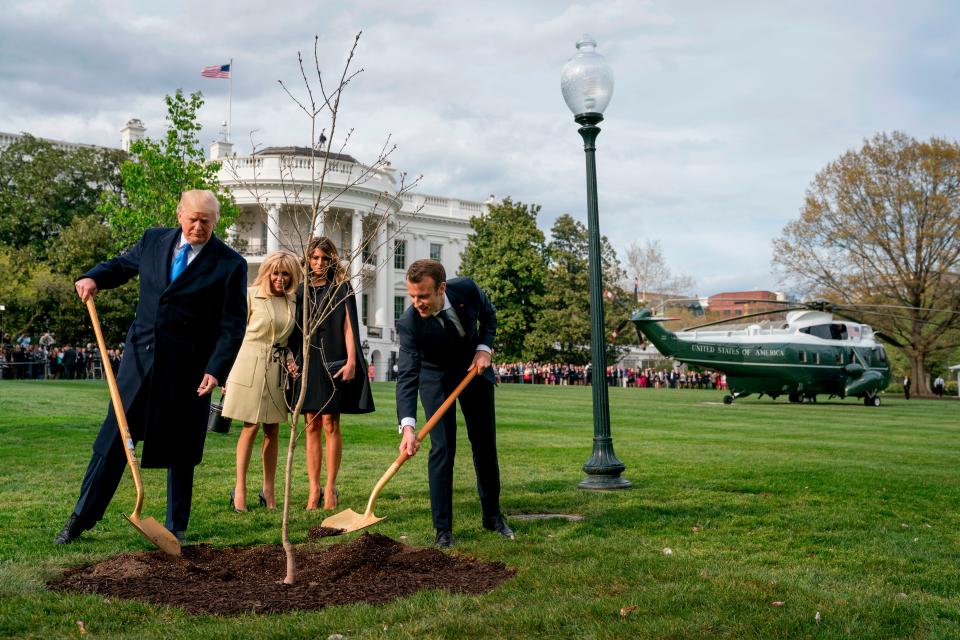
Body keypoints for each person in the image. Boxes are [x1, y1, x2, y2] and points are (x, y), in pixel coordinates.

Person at [55, 189, 247, 545]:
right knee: (112, 440)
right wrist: (94, 276)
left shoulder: (230, 264)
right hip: (140, 362)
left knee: (181, 448)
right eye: (193, 219)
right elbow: (120, 266)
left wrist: (216, 368)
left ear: (216, 222)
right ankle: (81, 518)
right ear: (179, 215)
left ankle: (176, 527)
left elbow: (233, 325)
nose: (198, 227)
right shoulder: (153, 241)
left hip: (188, 371)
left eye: (207, 221)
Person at [397, 259, 513, 550]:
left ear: (442, 288)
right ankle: (443, 529)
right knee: (443, 448)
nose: (417, 303)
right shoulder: (410, 323)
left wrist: (484, 349)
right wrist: (408, 427)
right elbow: (408, 376)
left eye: (423, 296)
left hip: (474, 370)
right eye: (412, 296)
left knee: (484, 445)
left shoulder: (467, 290)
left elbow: (489, 316)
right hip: (435, 378)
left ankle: (493, 516)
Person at [288, 237, 374, 511]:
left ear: (332, 260)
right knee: (311, 423)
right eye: (314, 258)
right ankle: (314, 489)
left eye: (325, 258)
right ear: (307, 259)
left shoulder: (341, 288)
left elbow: (350, 326)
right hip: (307, 360)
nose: (319, 263)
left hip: (334, 358)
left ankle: (331, 488)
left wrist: (351, 361)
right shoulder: (299, 291)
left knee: (330, 423)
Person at [222, 250, 300, 512]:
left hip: (277, 367)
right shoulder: (250, 294)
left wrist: (290, 359)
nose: (280, 278)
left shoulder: (293, 301)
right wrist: (224, 371)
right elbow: (233, 334)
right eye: (276, 273)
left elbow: (286, 340)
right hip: (247, 363)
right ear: (267, 272)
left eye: (286, 274)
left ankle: (268, 490)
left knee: (273, 429)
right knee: (250, 426)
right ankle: (240, 488)